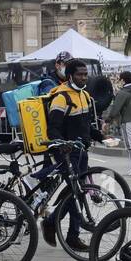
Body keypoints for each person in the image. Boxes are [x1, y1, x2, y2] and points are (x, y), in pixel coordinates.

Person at [42, 59, 103, 250]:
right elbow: (53, 129)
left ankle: (52, 221)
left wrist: (100, 135)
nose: (84, 77)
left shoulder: (84, 95)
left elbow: (84, 125)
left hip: (81, 151)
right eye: (80, 74)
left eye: (85, 74)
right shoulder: (61, 97)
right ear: (70, 76)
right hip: (66, 153)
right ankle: (72, 235)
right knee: (76, 192)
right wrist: (63, 145)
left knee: (75, 192)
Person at [104, 70, 131, 174]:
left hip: (127, 121)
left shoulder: (122, 93)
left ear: (123, 80)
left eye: (120, 79)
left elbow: (116, 108)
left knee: (130, 145)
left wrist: (108, 120)